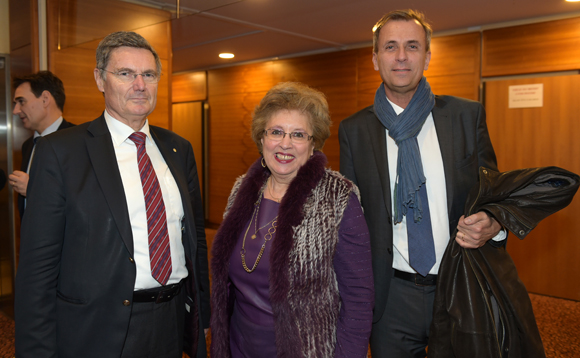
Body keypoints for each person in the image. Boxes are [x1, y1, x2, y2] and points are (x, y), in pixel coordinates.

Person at [14, 31, 210, 358]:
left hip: (171, 321)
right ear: (100, 80)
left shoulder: (178, 149)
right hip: (98, 328)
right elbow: (37, 270)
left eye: (148, 75)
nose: (140, 84)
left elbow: (195, 241)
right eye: (125, 74)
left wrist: (202, 311)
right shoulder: (61, 152)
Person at [338, 9, 505, 358]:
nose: (401, 56)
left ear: (427, 57)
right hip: (391, 298)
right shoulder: (354, 131)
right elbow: (351, 219)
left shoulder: (465, 116)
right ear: (374, 58)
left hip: (459, 285)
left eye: (412, 46)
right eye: (390, 47)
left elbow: (494, 195)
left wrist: (494, 223)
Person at [210, 82, 374, 357]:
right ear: (262, 138)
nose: (285, 143)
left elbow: (358, 300)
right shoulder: (242, 191)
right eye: (276, 132)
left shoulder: (338, 198)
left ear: (313, 145)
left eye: (298, 134)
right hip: (239, 347)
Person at [9, 71, 74, 220]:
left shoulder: (80, 141)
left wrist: (34, 189)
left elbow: (86, 201)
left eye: (21, 101)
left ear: (45, 99)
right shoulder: (28, 145)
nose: (15, 111)